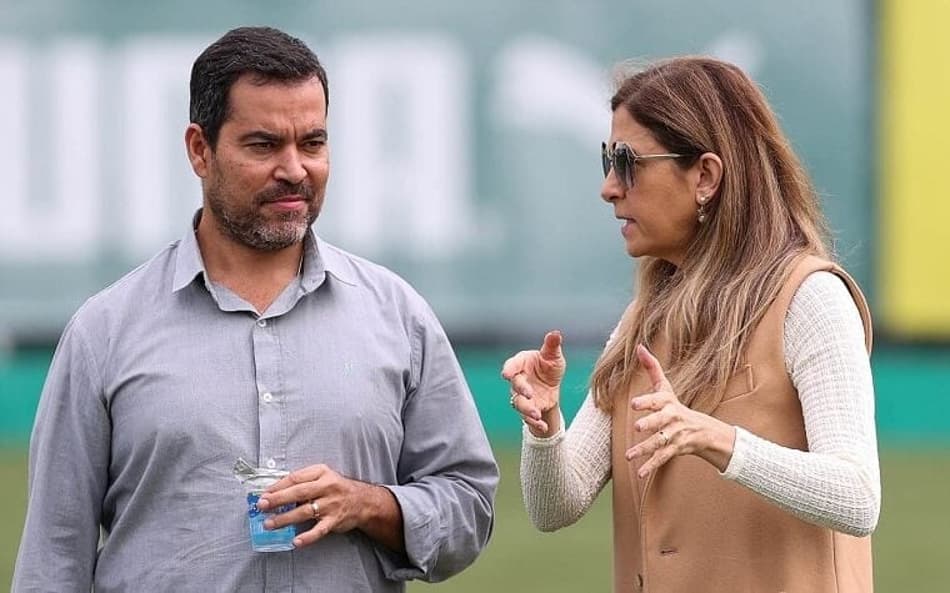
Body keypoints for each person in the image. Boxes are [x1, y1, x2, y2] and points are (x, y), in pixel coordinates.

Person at [14, 26, 498, 592]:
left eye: (312, 143)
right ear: (200, 149)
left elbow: (468, 506)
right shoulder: (104, 332)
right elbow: (53, 559)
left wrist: (368, 504)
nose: (294, 169)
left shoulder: (397, 316)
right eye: (264, 145)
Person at [502, 56, 880, 593]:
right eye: (607, 160)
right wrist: (544, 426)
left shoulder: (811, 299)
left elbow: (858, 496)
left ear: (705, 175)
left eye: (628, 162)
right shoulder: (641, 322)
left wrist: (720, 441)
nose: (609, 187)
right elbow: (555, 505)